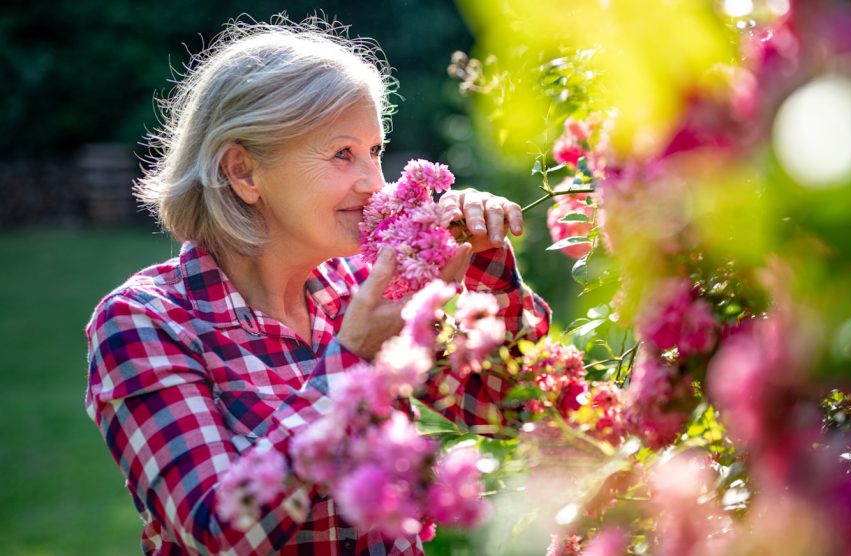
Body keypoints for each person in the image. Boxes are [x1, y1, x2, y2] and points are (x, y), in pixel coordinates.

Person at [84, 17, 550, 555]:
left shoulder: (363, 289)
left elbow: (512, 409)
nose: (375, 183)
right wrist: (351, 358)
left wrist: (483, 267)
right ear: (243, 173)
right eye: (342, 154)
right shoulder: (144, 321)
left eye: (375, 151)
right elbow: (219, 531)